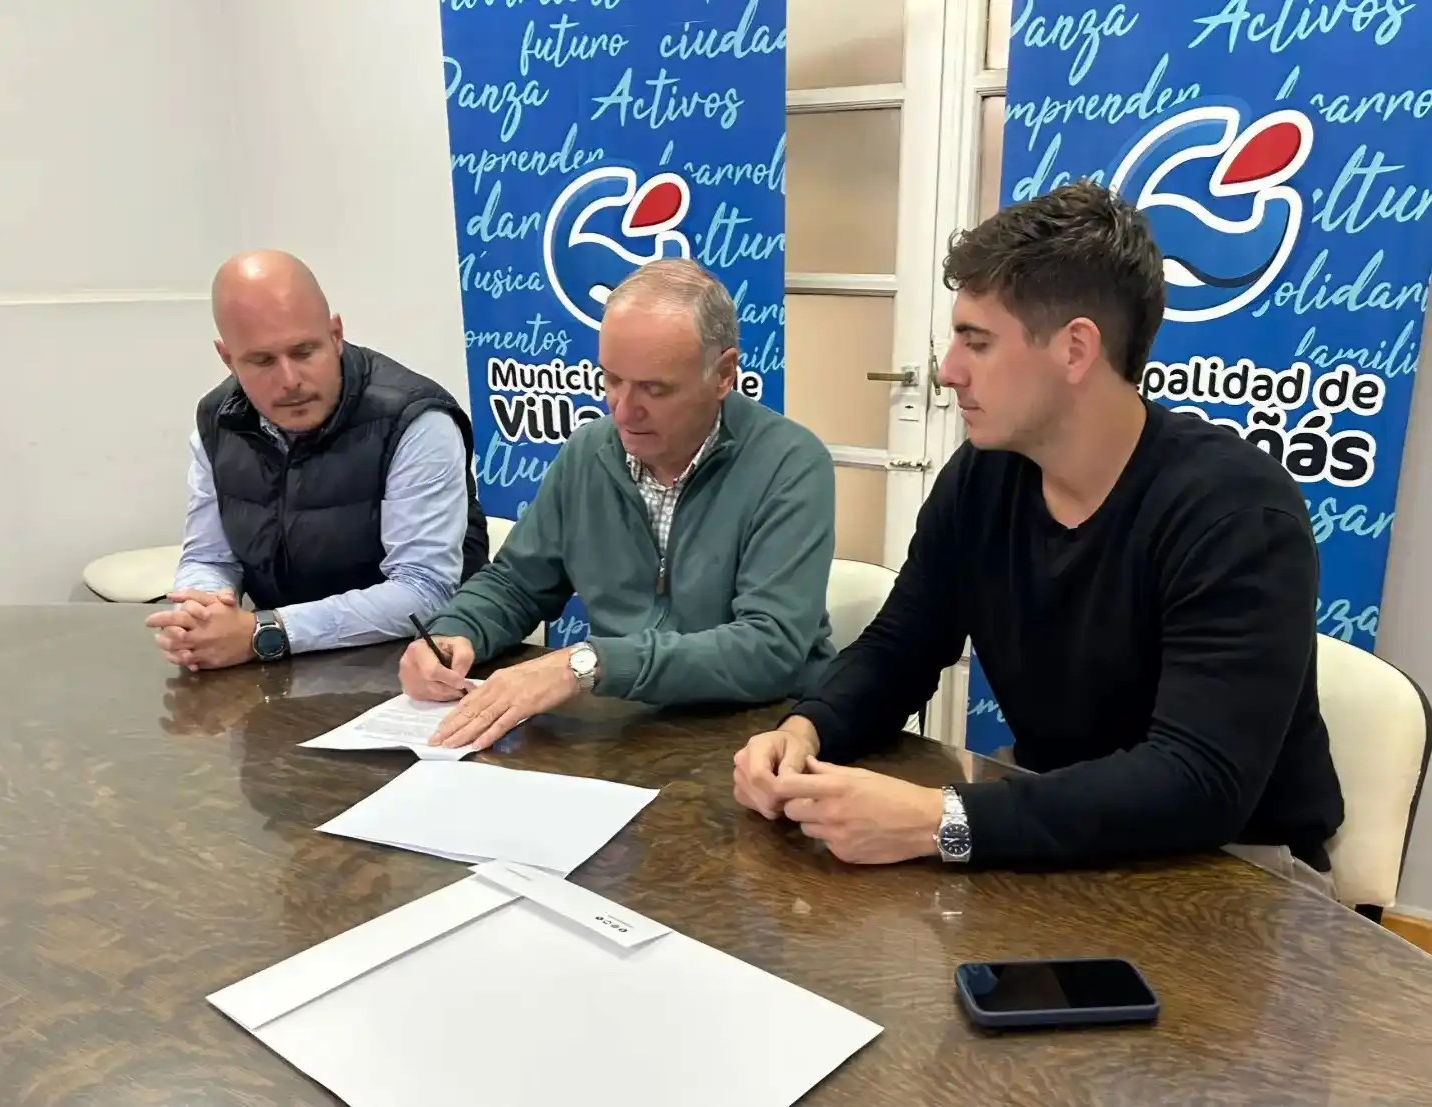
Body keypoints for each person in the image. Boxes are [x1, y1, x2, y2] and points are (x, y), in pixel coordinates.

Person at [732, 181, 1344, 889]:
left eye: (977, 342)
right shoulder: (981, 478)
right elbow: (900, 645)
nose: (947, 371)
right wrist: (805, 730)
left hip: (1239, 871)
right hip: (1061, 837)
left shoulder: (1236, 513)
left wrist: (938, 819)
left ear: (1075, 349)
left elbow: (1197, 779)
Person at [400, 258, 836, 751]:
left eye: (655, 389)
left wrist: (587, 664)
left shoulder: (790, 464)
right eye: (611, 380)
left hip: (761, 735)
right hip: (627, 731)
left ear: (723, 374)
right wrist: (456, 633)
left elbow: (768, 649)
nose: (623, 411)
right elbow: (518, 584)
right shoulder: (589, 452)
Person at [147, 250, 489, 671]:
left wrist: (263, 632)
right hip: (279, 668)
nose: (289, 380)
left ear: (336, 334)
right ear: (227, 357)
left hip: (420, 670)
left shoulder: (415, 419)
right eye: (262, 361)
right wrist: (199, 610)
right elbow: (209, 557)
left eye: (304, 351)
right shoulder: (217, 420)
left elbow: (424, 590)